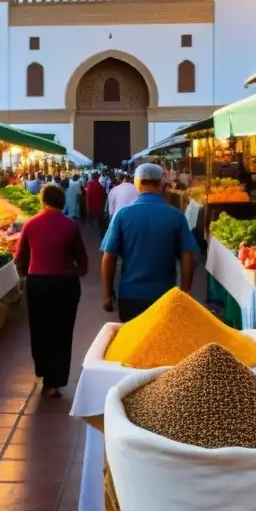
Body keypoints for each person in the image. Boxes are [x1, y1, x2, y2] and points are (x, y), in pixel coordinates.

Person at [100, 163, 199, 322]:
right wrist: (185, 292)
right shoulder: (176, 216)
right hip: (165, 297)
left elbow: (108, 258)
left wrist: (107, 294)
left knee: (134, 345)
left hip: (130, 296)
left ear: (136, 183)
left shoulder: (122, 215)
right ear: (161, 184)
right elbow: (189, 257)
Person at [15, 184, 88, 397]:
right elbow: (82, 258)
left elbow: (20, 257)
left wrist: (28, 272)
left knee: (39, 328)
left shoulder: (30, 224)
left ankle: (44, 371)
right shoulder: (70, 225)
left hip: (37, 282)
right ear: (62, 202)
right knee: (62, 330)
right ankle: (55, 380)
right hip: (65, 283)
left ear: (42, 200)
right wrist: (75, 272)